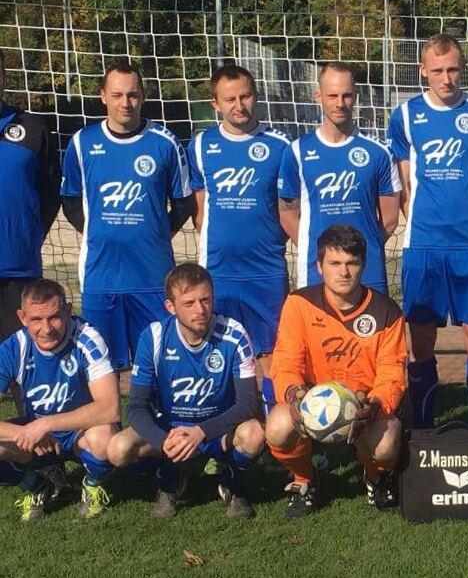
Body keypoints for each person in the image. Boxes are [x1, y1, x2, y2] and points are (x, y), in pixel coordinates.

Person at [386, 34, 468, 428]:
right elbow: (402, 183)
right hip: (423, 245)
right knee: (419, 341)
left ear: (463, 69)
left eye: (453, 69)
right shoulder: (404, 115)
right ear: (423, 71)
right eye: (437, 70)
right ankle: (422, 428)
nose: (446, 78)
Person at [61, 60, 194, 376]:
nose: (125, 103)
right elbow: (69, 202)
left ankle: (158, 426)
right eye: (117, 95)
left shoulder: (165, 143)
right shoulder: (82, 142)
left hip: (152, 278)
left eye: (132, 95)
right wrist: (100, 231)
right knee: (103, 372)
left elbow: (184, 204)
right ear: (103, 96)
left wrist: (156, 233)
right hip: (100, 278)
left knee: (159, 368)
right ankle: (108, 427)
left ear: (143, 95)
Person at [265, 225, 407, 519]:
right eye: (335, 263)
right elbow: (285, 362)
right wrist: (294, 396)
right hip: (311, 405)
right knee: (277, 427)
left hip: (364, 407)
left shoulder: (387, 312)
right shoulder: (299, 304)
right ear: (319, 266)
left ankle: (374, 478)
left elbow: (392, 373)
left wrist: (376, 405)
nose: (344, 272)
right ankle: (305, 479)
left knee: (387, 441)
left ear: (363, 266)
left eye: (352, 263)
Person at [106, 264, 264, 519]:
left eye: (205, 300)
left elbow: (247, 403)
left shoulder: (234, 333)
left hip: (217, 429)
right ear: (171, 307)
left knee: (254, 434)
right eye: (189, 303)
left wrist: (201, 432)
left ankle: (231, 481)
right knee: (117, 449)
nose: (200, 310)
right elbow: (135, 407)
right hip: (172, 430)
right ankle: (171, 475)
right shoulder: (154, 337)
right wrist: (163, 440)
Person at [188, 63, 291, 413]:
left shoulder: (279, 146)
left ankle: (279, 429)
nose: (239, 105)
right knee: (215, 350)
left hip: (267, 270)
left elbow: (289, 208)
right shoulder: (201, 145)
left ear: (255, 96)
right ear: (215, 103)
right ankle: (222, 428)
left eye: (245, 96)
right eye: (230, 99)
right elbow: (201, 211)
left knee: (272, 353)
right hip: (219, 271)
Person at [0, 279, 118, 521]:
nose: (46, 328)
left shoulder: (87, 338)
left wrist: (46, 424)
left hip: (80, 430)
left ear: (67, 310)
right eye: (36, 320)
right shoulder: (14, 348)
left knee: (106, 440)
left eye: (54, 317)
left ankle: (93, 484)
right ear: (22, 318)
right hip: (37, 437)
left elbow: (110, 409)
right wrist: (22, 433)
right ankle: (36, 483)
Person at [278, 62, 400, 294]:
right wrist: (324, 255)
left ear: (355, 96)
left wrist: (358, 253)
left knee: (370, 330)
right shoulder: (296, 151)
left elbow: (390, 219)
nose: (340, 103)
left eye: (346, 96)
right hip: (317, 270)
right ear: (318, 96)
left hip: (367, 269)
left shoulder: (378, 152)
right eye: (332, 95)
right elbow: (288, 214)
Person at [0, 51, 62, 339]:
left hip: (19, 268)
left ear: (4, 78)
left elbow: (50, 193)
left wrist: (30, 233)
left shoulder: (32, 128)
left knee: (22, 368)